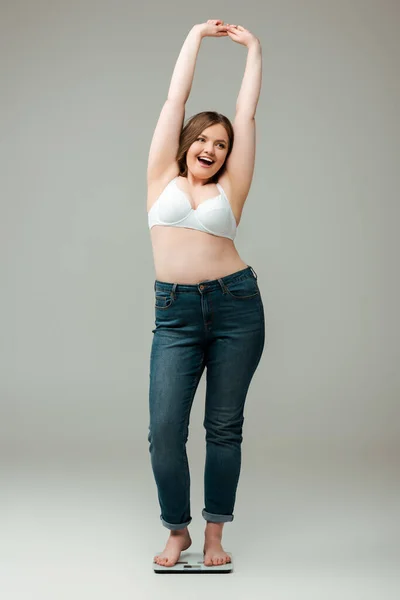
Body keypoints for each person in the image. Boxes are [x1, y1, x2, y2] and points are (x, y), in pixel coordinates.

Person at [147, 20, 264, 568]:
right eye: (202, 139)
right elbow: (176, 96)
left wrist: (253, 51)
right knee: (165, 431)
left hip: (237, 306)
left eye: (220, 145)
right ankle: (178, 530)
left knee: (223, 427)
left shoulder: (230, 188)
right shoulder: (160, 178)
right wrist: (194, 35)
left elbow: (246, 115)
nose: (211, 148)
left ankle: (215, 535)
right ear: (187, 141)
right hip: (175, 313)